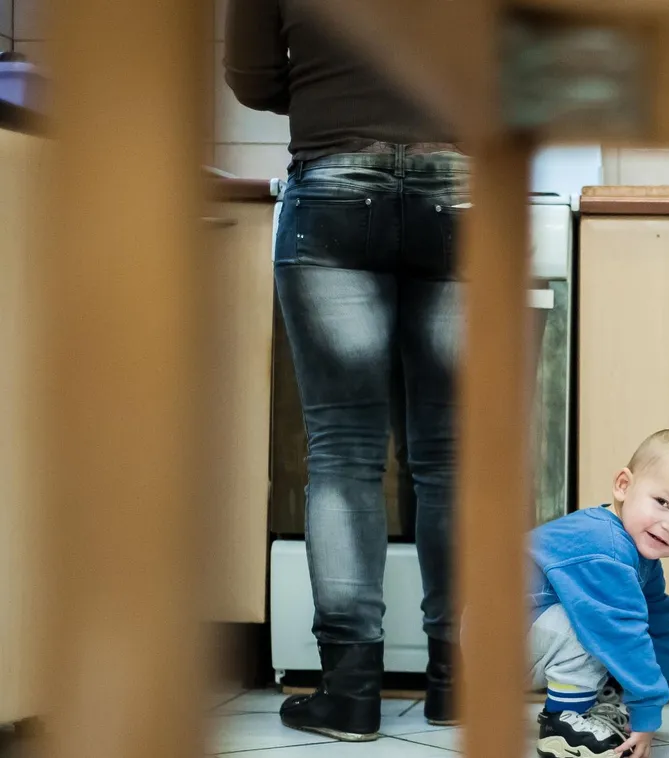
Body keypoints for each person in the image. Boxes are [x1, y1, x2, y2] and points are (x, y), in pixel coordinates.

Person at [225, 0, 466, 740]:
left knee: (343, 455)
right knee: (452, 457)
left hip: (332, 186)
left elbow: (253, 79)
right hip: (456, 191)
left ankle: (351, 693)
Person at [528, 429, 669, 758]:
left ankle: (587, 703)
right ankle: (562, 723)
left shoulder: (642, 560)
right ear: (623, 485)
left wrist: (657, 695)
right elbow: (623, 632)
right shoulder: (606, 545)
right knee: (604, 625)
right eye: (662, 502)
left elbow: (658, 624)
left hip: (526, 632)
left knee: (621, 622)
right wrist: (646, 708)